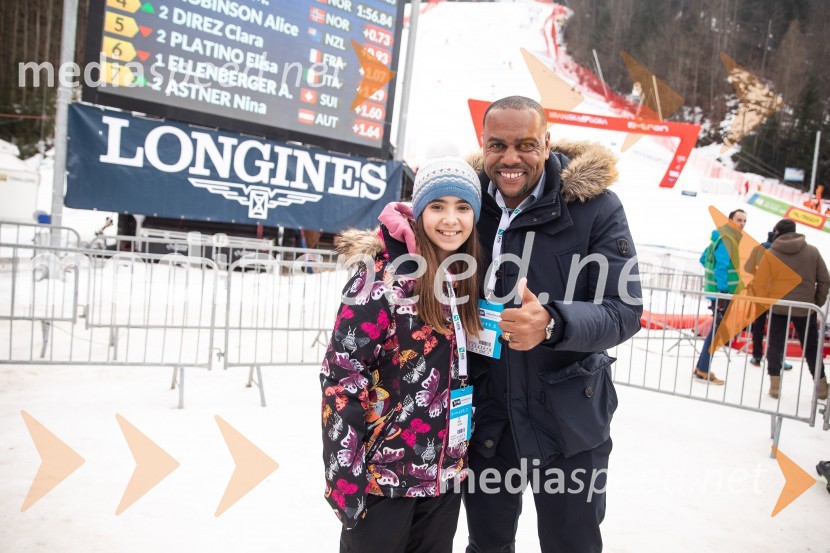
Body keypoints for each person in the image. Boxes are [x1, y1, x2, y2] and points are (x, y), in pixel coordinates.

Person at [463, 96, 642, 553]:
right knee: (486, 546)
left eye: (525, 144)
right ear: (483, 145)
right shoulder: (465, 206)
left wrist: (553, 322)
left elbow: (624, 309)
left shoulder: (595, 207)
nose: (510, 159)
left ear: (546, 143)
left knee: (572, 545)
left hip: (569, 418)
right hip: (489, 416)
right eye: (497, 145)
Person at [320, 157, 484, 553]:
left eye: (463, 208)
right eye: (438, 206)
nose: (451, 219)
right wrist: (345, 478)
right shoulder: (382, 275)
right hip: (382, 479)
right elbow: (342, 377)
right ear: (419, 209)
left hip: (442, 478)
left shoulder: (461, 273)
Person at [752, 218, 829, 400]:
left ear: (778, 232)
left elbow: (760, 283)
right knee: (811, 348)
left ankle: (775, 388)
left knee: (775, 346)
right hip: (805, 309)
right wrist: (816, 303)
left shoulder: (771, 254)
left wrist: (769, 301)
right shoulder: (812, 251)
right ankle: (822, 389)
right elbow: (825, 279)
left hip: (779, 308)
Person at [695, 209, 747, 385]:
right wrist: (723, 291)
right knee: (716, 333)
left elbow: (704, 259)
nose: (741, 224)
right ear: (730, 220)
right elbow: (721, 267)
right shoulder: (728, 239)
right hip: (723, 295)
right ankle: (703, 369)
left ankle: (701, 367)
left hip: (717, 293)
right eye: (738, 220)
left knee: (715, 331)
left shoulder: (719, 237)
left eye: (744, 221)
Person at [744, 229, 792, 370]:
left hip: (760, 292)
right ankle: (778, 359)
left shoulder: (760, 248)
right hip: (776, 294)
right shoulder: (782, 251)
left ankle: (757, 356)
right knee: (778, 327)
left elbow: (748, 268)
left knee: (759, 325)